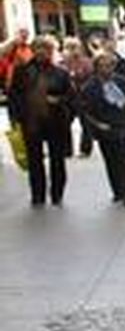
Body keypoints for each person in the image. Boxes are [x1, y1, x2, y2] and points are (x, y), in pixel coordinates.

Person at [8, 35, 75, 206]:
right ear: (32, 50)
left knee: (57, 161)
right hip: (31, 122)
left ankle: (57, 194)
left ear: (51, 51)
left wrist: (59, 101)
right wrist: (15, 118)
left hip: (55, 122)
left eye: (45, 48)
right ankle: (38, 195)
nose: (41, 52)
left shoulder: (61, 73)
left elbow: (72, 97)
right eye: (37, 48)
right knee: (34, 161)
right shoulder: (22, 71)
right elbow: (14, 96)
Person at [77, 52, 125, 205]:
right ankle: (118, 191)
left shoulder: (124, 82)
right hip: (105, 127)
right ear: (97, 68)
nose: (108, 69)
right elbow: (84, 110)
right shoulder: (89, 87)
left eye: (111, 65)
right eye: (103, 66)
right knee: (111, 160)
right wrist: (96, 124)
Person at [61, 37, 96, 156]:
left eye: (74, 47)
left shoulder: (87, 62)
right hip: (67, 97)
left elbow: (91, 77)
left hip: (82, 97)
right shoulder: (62, 63)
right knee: (64, 123)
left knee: (86, 124)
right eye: (69, 48)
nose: (72, 51)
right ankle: (66, 150)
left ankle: (85, 149)